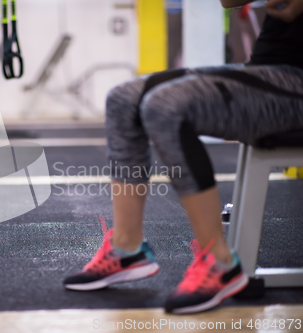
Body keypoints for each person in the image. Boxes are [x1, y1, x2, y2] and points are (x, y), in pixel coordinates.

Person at [63, 0, 303, 314]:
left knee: (166, 106)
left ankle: (219, 262)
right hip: (267, 69)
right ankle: (126, 247)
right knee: (122, 99)